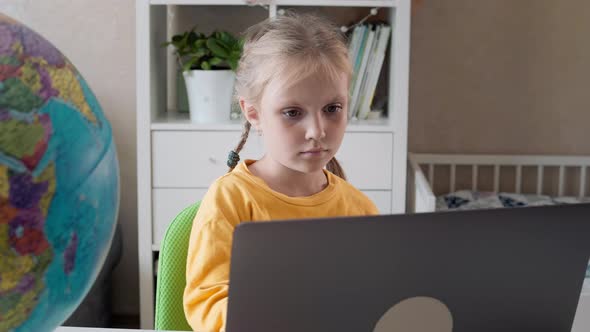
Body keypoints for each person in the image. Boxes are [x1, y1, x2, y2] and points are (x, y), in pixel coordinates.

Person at [183, 11, 379, 332]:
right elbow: (208, 302)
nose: (316, 131)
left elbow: (376, 299)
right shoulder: (230, 199)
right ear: (253, 113)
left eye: (332, 109)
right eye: (292, 112)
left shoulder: (360, 210)